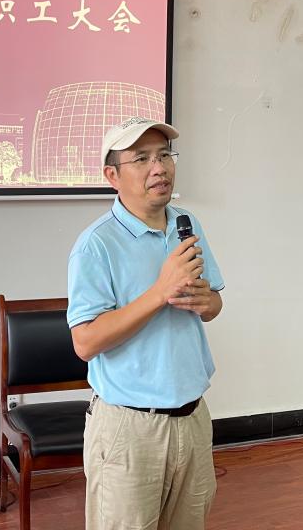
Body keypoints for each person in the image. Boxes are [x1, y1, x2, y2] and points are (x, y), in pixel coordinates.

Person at [67, 117, 224, 530]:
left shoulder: (186, 224)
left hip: (192, 417)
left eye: (165, 155)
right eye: (141, 159)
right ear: (112, 176)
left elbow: (214, 304)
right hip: (129, 428)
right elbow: (85, 342)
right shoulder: (96, 245)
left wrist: (206, 302)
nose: (159, 168)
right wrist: (159, 292)